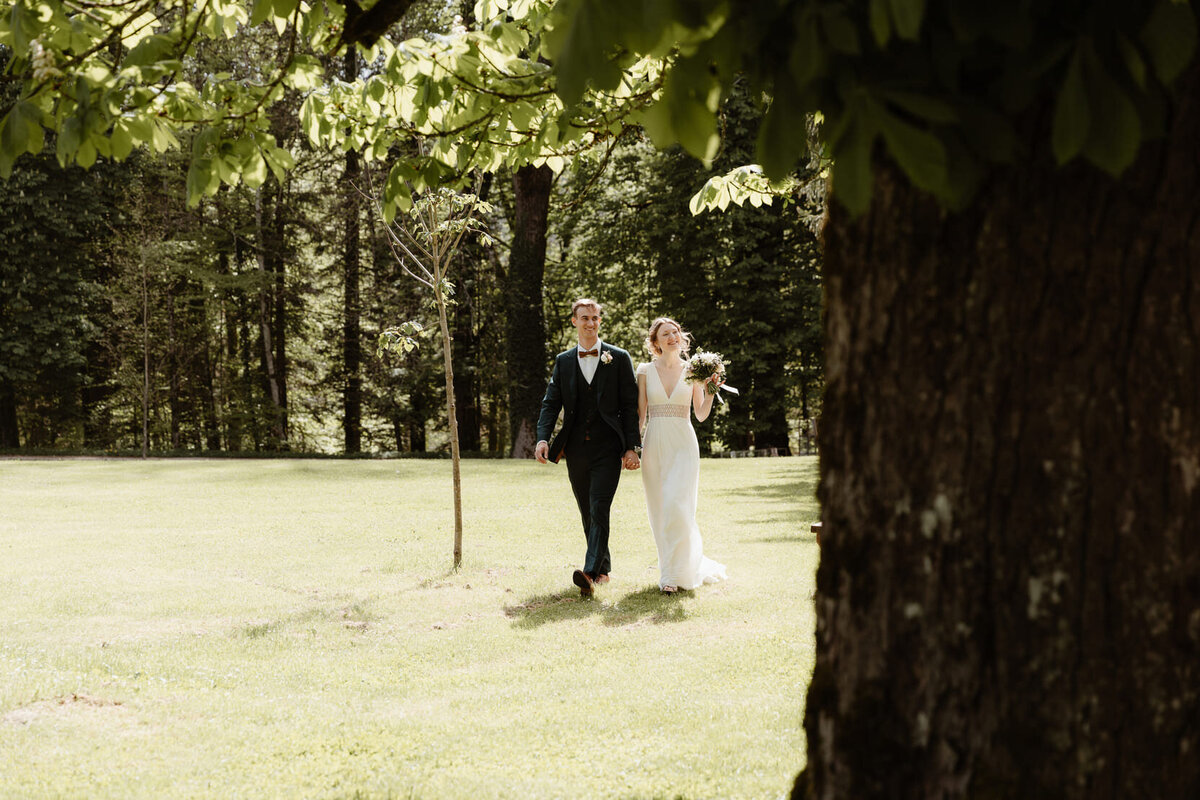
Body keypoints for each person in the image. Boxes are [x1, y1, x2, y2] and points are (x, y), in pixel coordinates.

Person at [535, 299, 642, 597]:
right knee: (587, 510)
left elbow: (629, 406)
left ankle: (590, 573)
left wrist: (633, 447)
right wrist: (543, 438)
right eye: (584, 318)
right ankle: (604, 569)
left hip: (609, 447)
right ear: (574, 321)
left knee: (599, 505)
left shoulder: (618, 357)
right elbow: (551, 403)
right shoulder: (564, 360)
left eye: (595, 318)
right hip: (576, 449)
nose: (590, 323)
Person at [637, 317, 727, 594]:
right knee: (659, 509)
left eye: (675, 332)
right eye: (666, 334)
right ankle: (670, 570)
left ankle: (672, 577)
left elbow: (700, 414)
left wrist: (711, 391)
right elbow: (640, 416)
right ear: (656, 342)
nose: (673, 337)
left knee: (678, 505)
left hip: (683, 444)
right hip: (654, 443)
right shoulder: (643, 371)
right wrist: (632, 448)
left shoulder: (694, 370)